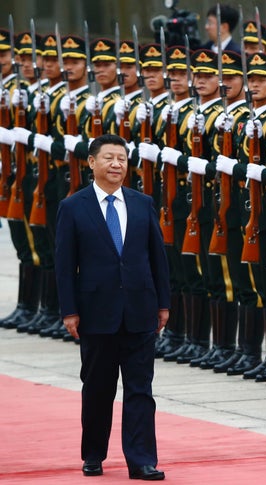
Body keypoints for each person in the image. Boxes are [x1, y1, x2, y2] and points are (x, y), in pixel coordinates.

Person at [55, 134, 170, 480]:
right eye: (108, 158)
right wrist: (69, 310)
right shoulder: (73, 207)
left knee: (140, 390)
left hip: (139, 310)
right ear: (91, 163)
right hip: (95, 313)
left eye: (121, 158)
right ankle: (93, 454)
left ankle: (142, 460)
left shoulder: (141, 203)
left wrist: (163, 303)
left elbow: (157, 257)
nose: (116, 164)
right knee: (98, 390)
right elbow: (64, 264)